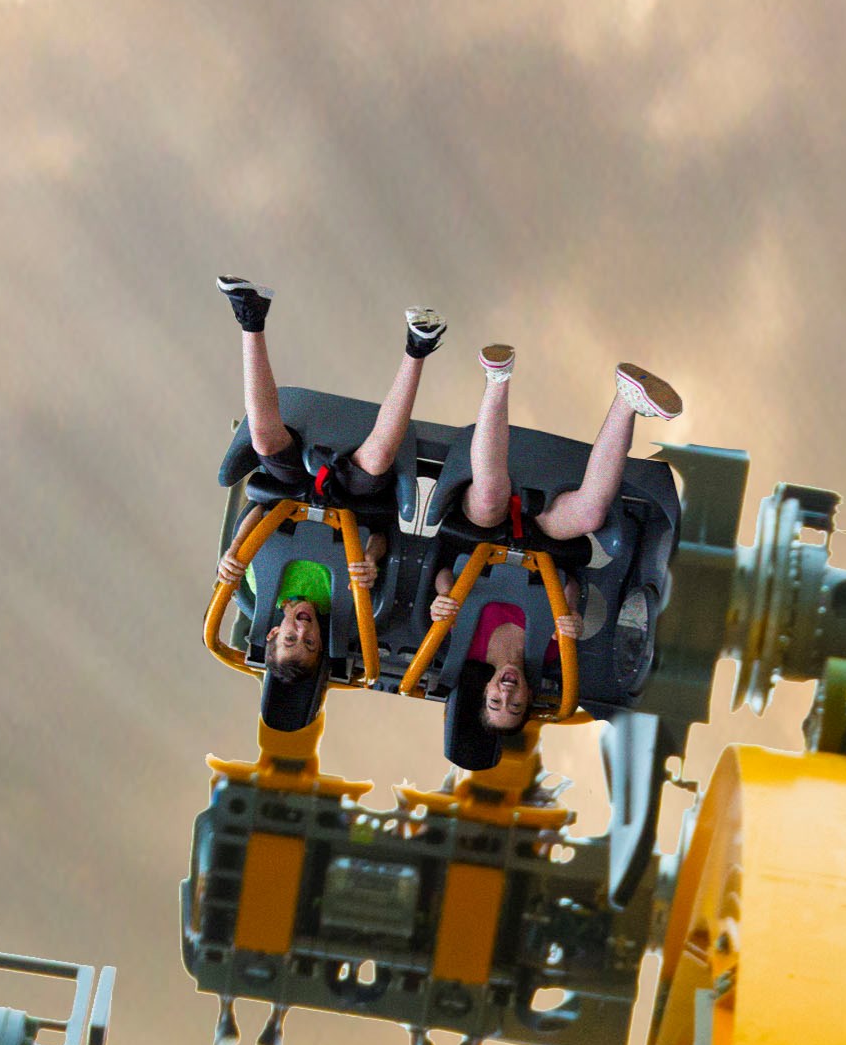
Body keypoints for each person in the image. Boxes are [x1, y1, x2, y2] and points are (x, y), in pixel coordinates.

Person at [408, 342, 684, 731]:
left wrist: (443, 598)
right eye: (516, 704)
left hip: (478, 536)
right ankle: (626, 400)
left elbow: (442, 574)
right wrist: (570, 612)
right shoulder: (552, 653)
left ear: (484, 689)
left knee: (489, 494)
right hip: (540, 545)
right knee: (590, 512)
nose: (507, 693)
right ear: (528, 698)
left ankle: (497, 377)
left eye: (495, 701)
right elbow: (569, 584)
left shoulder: (462, 643)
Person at [214, 275, 448, 688]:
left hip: (289, 493)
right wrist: (371, 561)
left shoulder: (256, 588)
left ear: (273, 632)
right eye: (309, 643)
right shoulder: (349, 602)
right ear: (322, 643)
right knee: (376, 458)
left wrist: (235, 550)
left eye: (290, 639)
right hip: (352, 502)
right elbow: (378, 537)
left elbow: (256, 517)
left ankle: (251, 318)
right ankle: (419, 347)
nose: (302, 632)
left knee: (265, 439)